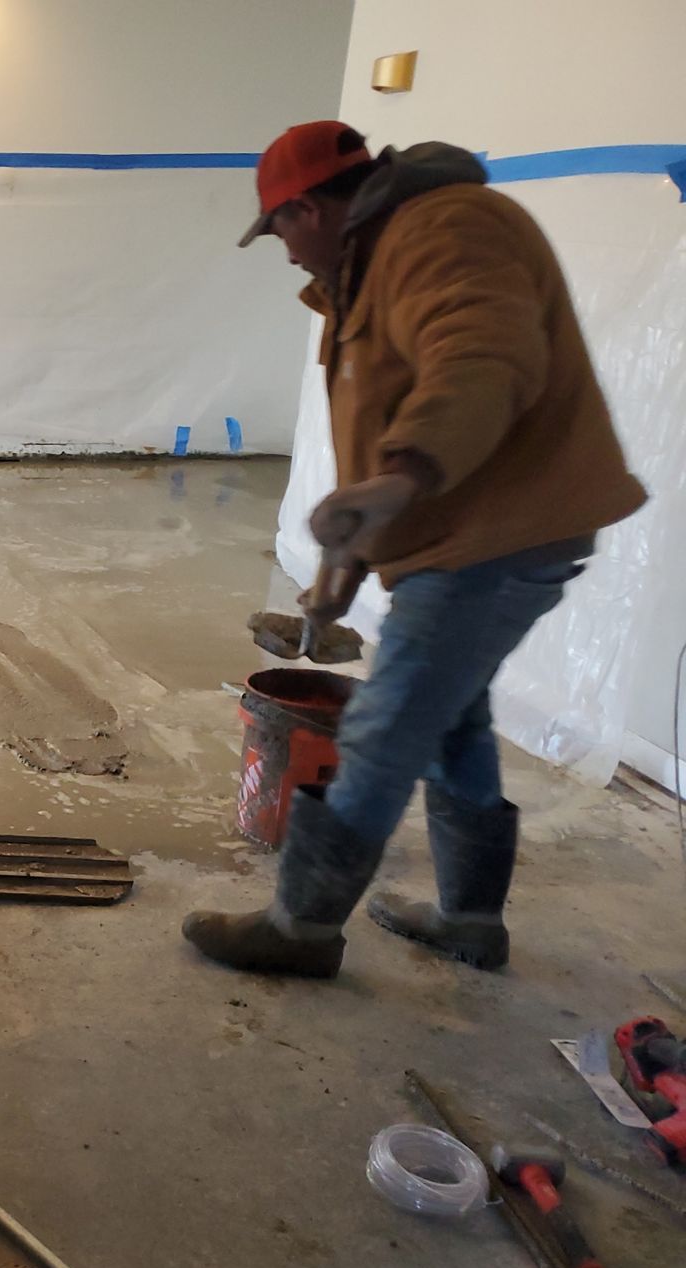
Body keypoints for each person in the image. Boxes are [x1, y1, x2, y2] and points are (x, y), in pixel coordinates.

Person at [183, 121, 646, 979]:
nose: (283, 254)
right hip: (457, 530)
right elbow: (375, 461)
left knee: (390, 723)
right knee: (453, 716)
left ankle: (300, 929)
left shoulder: (446, 230)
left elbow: (482, 358)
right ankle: (470, 919)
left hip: (497, 532)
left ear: (311, 207)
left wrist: (403, 481)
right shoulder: (359, 281)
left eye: (279, 229)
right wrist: (336, 580)